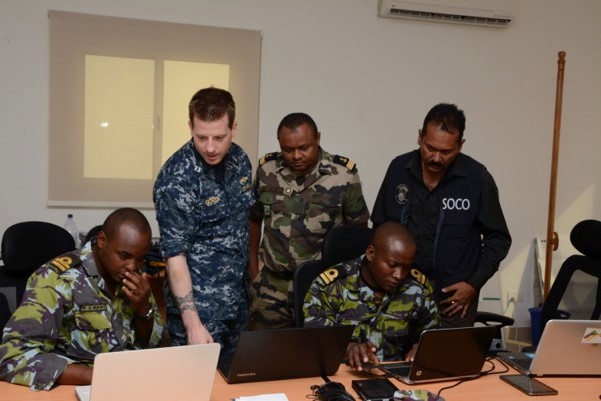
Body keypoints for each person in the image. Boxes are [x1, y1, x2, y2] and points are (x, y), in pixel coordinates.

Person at [371, 103, 511, 328]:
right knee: (396, 350)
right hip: (401, 290)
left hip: (453, 298)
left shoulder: (477, 178)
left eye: (446, 152)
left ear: (460, 145)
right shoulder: (398, 169)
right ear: (420, 137)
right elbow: (380, 227)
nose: (436, 158)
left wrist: (473, 284)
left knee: (447, 351)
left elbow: (498, 239)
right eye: (430, 148)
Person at [0, 208, 163, 390]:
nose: (132, 266)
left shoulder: (135, 278)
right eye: (124, 256)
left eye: (140, 259)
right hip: (78, 387)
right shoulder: (58, 279)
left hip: (130, 384)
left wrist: (144, 310)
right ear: (102, 240)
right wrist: (97, 375)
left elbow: (153, 346)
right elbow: (13, 357)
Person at [153, 87, 253, 365]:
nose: (210, 147)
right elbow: (175, 256)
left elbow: (244, 224)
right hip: (201, 312)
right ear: (190, 127)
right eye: (201, 137)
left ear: (234, 128)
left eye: (219, 137)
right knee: (196, 384)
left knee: (236, 382)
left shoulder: (240, 161)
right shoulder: (176, 180)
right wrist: (192, 325)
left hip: (238, 302)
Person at [248, 112, 370, 329]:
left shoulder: (343, 176)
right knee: (264, 348)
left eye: (304, 148)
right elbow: (253, 219)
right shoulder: (267, 170)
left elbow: (357, 233)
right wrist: (253, 270)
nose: (296, 156)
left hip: (320, 284)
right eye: (288, 149)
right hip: (271, 285)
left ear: (318, 139)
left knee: (316, 348)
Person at [303, 222, 439, 370]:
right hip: (341, 373)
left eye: (406, 268)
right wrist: (347, 348)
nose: (399, 275)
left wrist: (424, 347)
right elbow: (314, 343)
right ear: (370, 254)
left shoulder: (417, 288)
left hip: (392, 374)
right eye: (392, 265)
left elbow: (434, 335)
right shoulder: (329, 286)